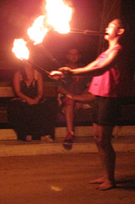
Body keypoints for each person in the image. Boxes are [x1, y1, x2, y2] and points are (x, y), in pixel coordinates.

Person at [50, 19, 125, 191]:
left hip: (109, 99)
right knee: (98, 139)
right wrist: (62, 73)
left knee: (104, 140)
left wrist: (72, 71)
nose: (106, 28)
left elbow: (100, 69)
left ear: (120, 32)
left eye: (111, 26)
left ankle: (111, 179)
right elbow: (91, 66)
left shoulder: (117, 51)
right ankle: (106, 175)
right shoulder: (105, 52)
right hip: (98, 97)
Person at [8, 60, 56, 142]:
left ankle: (46, 134)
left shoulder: (37, 74)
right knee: (16, 107)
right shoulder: (18, 74)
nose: (29, 61)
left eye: (31, 59)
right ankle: (25, 134)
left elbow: (40, 91)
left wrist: (37, 98)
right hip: (23, 98)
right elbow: (18, 91)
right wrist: (28, 99)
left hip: (35, 98)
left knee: (48, 105)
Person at [56, 48, 93, 149]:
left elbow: (89, 86)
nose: (73, 56)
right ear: (67, 56)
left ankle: (102, 132)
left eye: (76, 54)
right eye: (71, 54)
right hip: (66, 98)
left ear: (79, 56)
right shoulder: (62, 69)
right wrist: (73, 97)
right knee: (70, 101)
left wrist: (80, 99)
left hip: (81, 97)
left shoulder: (84, 69)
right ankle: (70, 134)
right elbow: (59, 88)